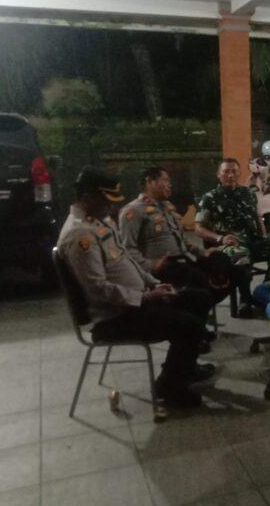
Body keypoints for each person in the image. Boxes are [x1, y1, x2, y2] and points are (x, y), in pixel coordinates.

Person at [57, 166, 215, 408]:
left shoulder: (98, 220)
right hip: (115, 317)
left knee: (200, 298)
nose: (112, 207)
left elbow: (126, 259)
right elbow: (98, 289)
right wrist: (146, 298)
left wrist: (154, 284)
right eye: (106, 201)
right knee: (189, 325)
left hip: (137, 301)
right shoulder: (80, 235)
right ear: (87, 198)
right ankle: (170, 388)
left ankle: (184, 368)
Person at [119, 166, 244, 345]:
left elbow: (183, 243)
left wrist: (203, 252)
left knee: (233, 270)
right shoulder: (133, 211)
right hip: (164, 268)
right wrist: (151, 265)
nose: (169, 185)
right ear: (150, 181)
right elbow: (127, 249)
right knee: (199, 281)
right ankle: (193, 332)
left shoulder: (167, 208)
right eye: (165, 180)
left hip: (185, 260)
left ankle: (196, 321)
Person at [195, 158, 270, 318]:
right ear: (218, 175)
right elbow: (198, 228)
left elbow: (257, 216)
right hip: (229, 244)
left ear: (239, 173)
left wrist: (264, 235)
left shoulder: (248, 193)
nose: (230, 175)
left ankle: (264, 292)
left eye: (234, 171)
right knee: (241, 257)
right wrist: (220, 239)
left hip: (254, 241)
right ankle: (246, 299)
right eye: (226, 172)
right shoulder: (210, 198)